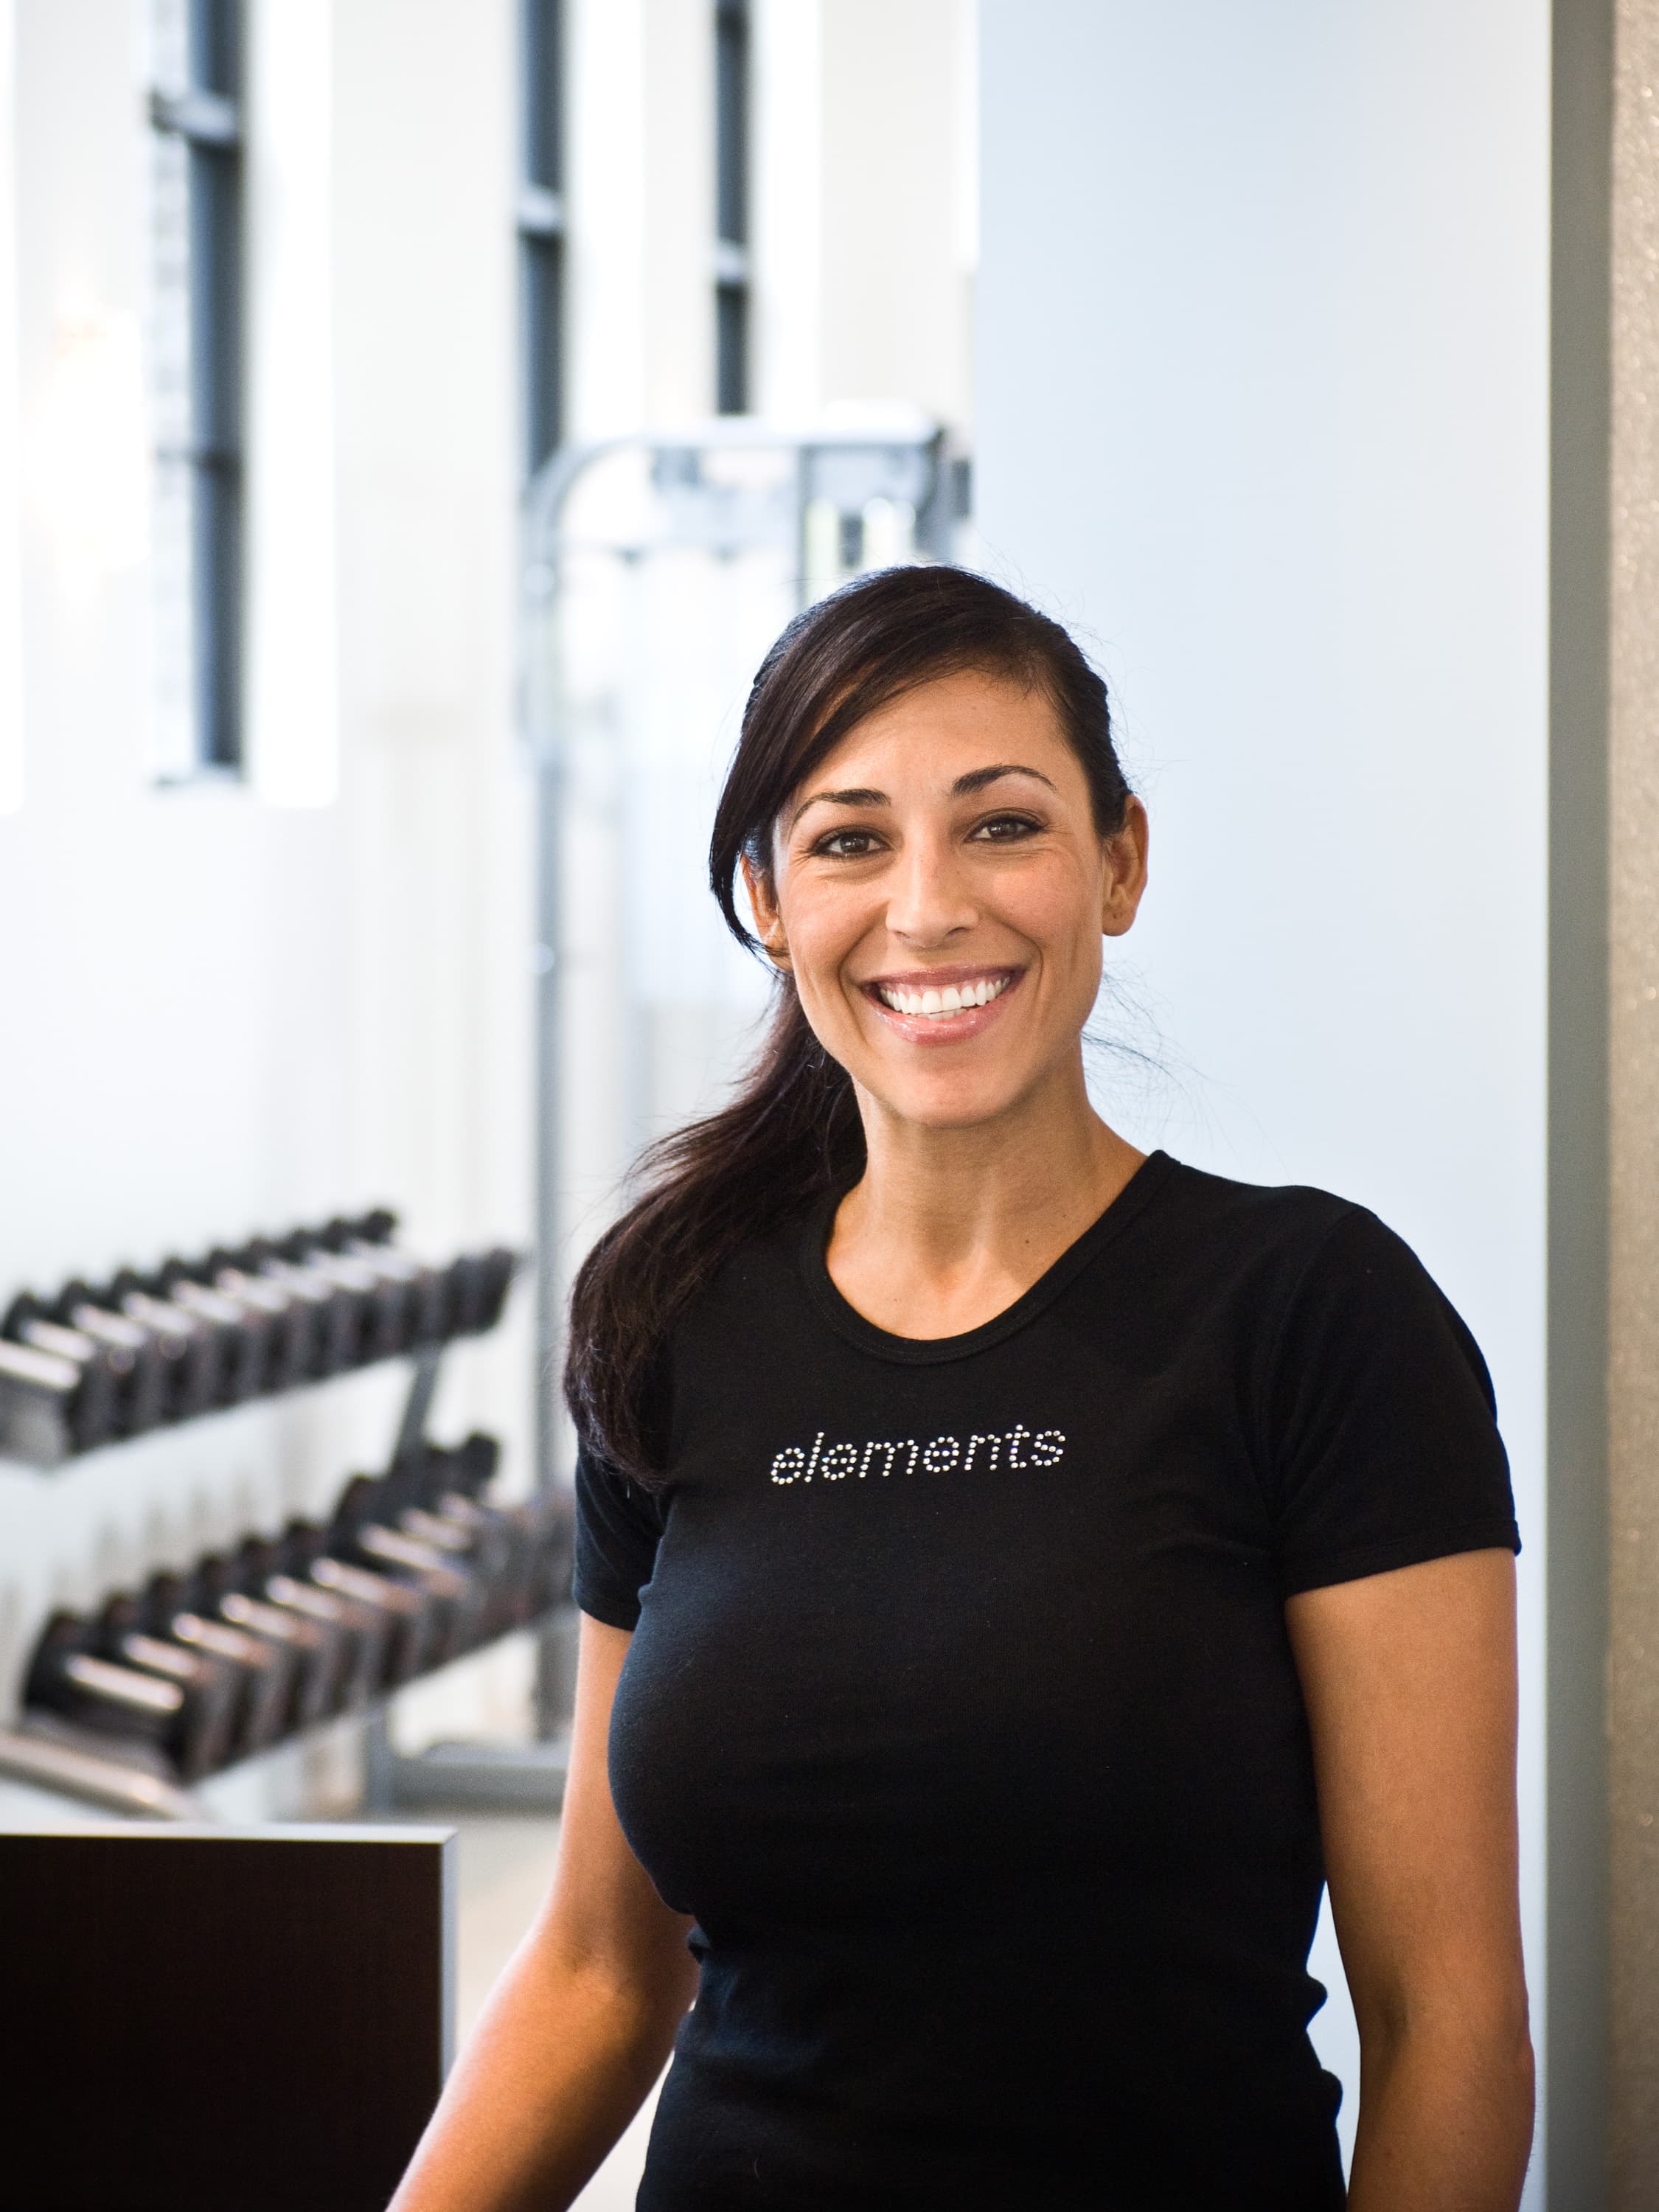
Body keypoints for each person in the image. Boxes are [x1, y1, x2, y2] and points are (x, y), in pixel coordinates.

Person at [390, 566, 1533, 2211]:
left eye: (1001, 825)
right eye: (851, 839)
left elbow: (1454, 2031)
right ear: (766, 897)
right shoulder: (671, 1317)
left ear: (1119, 861)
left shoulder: (1313, 1318)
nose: (928, 908)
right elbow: (594, 1970)